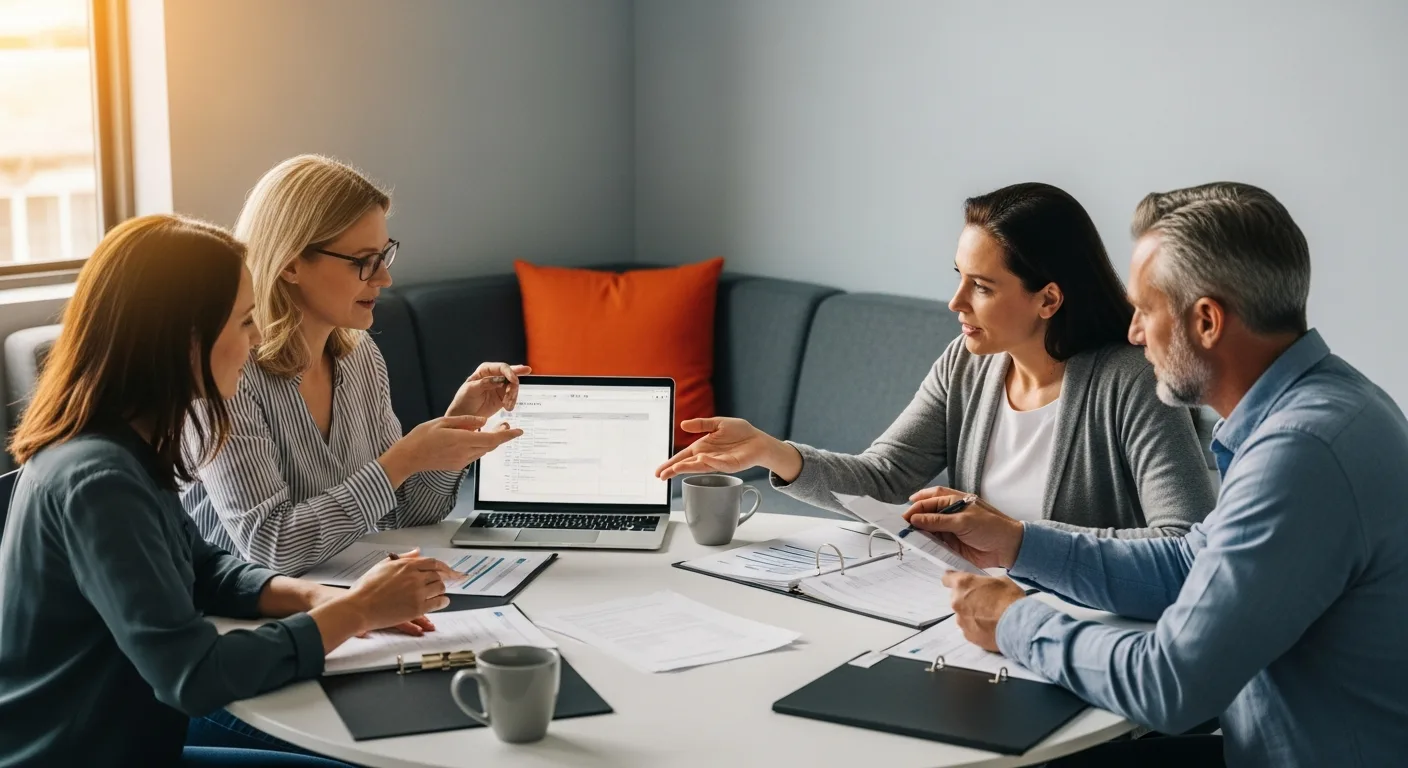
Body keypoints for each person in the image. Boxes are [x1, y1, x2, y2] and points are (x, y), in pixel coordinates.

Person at [919, 182, 1408, 767]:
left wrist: (1014, 621)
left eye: (1145, 310)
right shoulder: (1329, 402)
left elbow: (1170, 685)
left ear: (1206, 321)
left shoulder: (1299, 453)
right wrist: (1018, 544)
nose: (1132, 332)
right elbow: (1190, 561)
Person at [0, 215, 458, 767]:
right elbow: (192, 674)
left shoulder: (124, 446)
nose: (259, 337)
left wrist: (317, 597)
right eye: (244, 322)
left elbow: (203, 568)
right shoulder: (100, 480)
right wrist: (357, 613)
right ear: (186, 340)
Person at [658, 182, 1215, 537]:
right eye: (958, 278)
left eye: (982, 287)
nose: (956, 304)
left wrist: (1018, 541)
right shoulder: (966, 366)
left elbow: (1183, 541)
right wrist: (771, 452)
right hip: (972, 619)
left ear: (1048, 297)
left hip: (1078, 633)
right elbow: (883, 479)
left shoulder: (1134, 382)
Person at [181, 155, 525, 576]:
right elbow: (270, 547)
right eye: (363, 261)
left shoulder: (359, 355)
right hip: (247, 619)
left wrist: (457, 425)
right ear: (290, 264)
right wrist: (401, 459)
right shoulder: (225, 373)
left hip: (347, 595)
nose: (384, 278)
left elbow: (408, 515)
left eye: (384, 256)